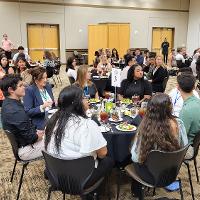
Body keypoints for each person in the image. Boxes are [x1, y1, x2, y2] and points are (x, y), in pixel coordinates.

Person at [45, 85, 113, 191]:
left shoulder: (52, 120)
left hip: (56, 173)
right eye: (84, 98)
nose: (87, 100)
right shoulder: (87, 124)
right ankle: (96, 194)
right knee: (109, 160)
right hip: (79, 179)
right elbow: (102, 153)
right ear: (76, 103)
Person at [130, 93, 188, 198]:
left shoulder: (145, 128)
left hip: (151, 176)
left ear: (150, 109)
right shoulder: (179, 123)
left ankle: (136, 193)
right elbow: (184, 146)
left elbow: (135, 157)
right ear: (170, 108)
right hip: (171, 172)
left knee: (133, 159)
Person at [0, 74, 44, 160]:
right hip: (25, 150)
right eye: (20, 86)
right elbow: (32, 138)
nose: (24, 87)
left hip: (24, 143)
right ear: (11, 90)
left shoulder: (8, 103)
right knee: (58, 142)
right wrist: (41, 135)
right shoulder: (15, 111)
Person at [177, 73, 200, 144]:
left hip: (185, 149)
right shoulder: (197, 102)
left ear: (178, 87)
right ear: (193, 87)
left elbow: (179, 139)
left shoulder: (186, 110)